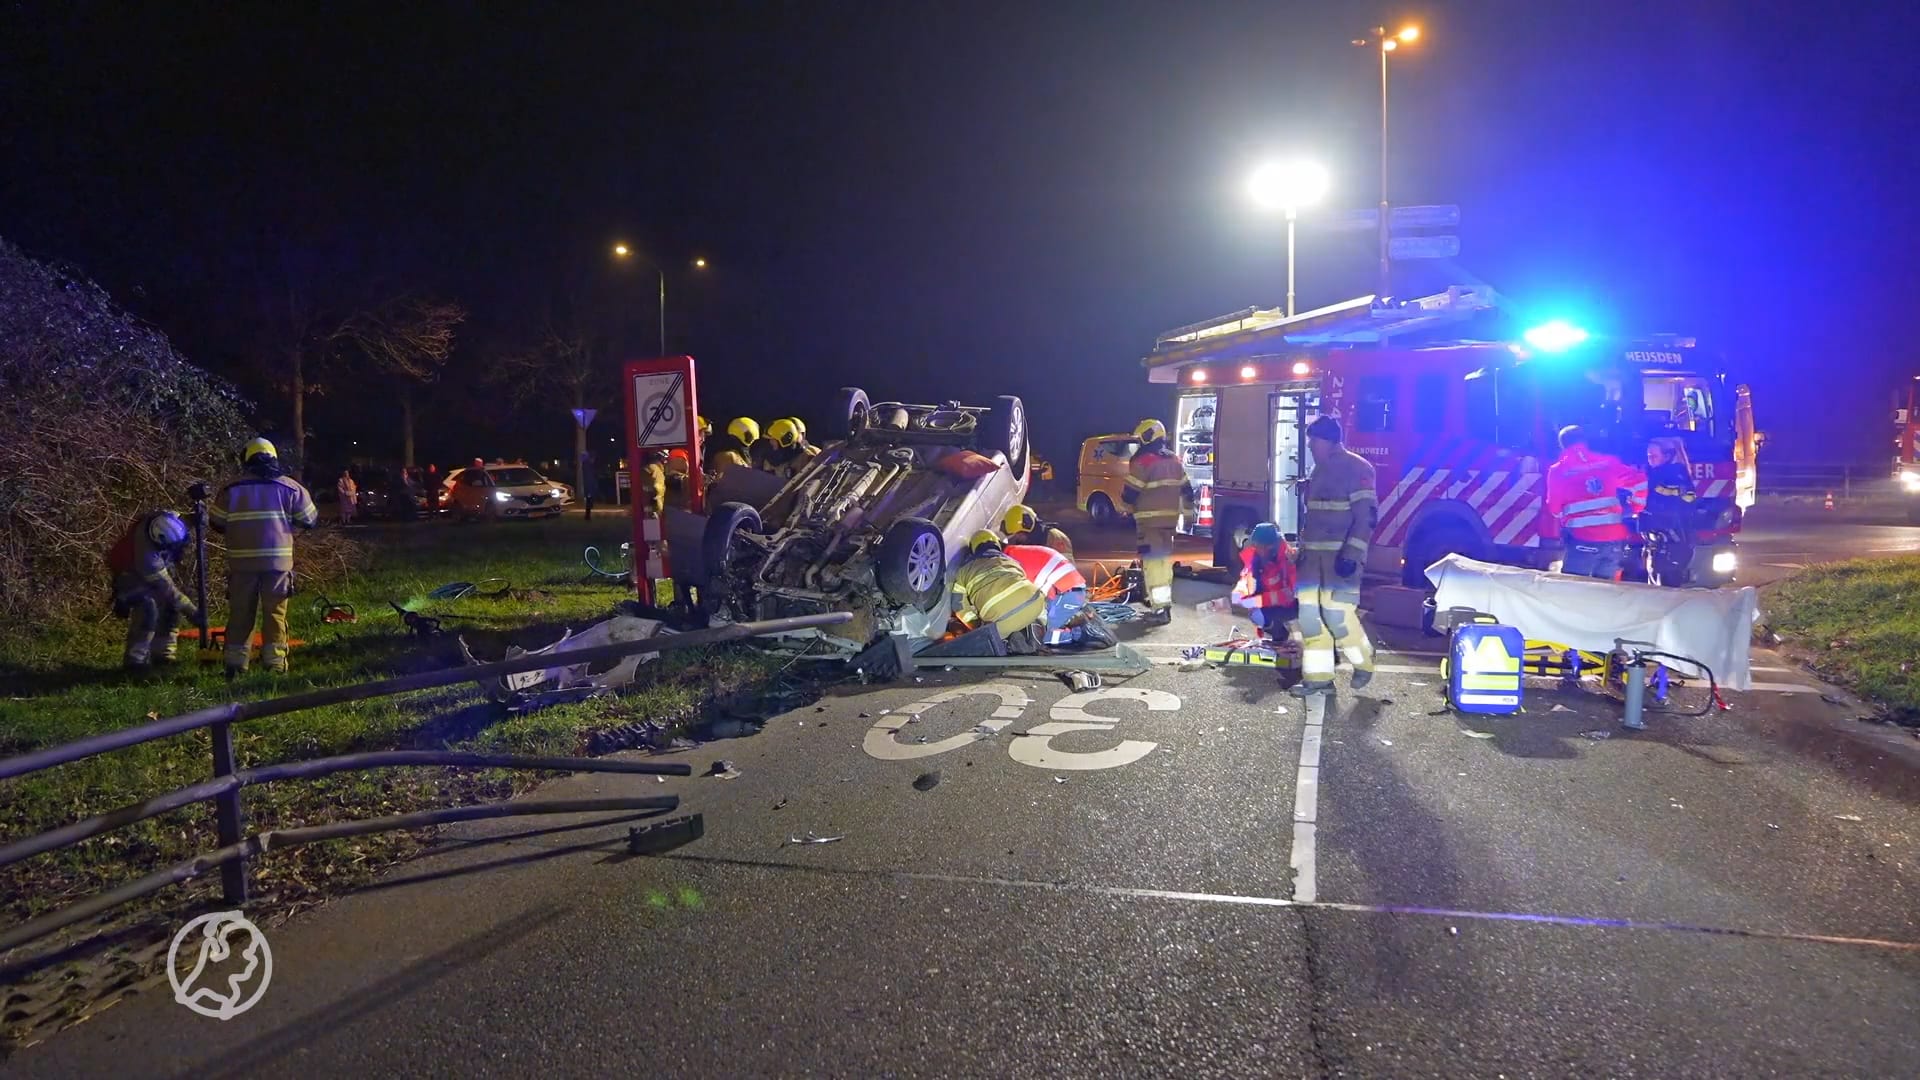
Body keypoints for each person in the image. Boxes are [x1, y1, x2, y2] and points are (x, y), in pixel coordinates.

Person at [211, 437, 317, 677]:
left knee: (240, 613)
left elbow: (216, 522)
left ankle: (235, 666)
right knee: (275, 614)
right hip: (277, 565)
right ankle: (276, 664)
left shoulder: (231, 490)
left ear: (246, 460)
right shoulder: (291, 488)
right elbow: (310, 520)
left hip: (241, 565)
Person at [1293, 416, 1377, 697]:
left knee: (1338, 616)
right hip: (1311, 563)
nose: (1309, 445)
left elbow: (1366, 518)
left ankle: (1364, 661)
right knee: (1309, 619)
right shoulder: (1319, 470)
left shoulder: (1357, 468)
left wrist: (1352, 555)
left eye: (1313, 440)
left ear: (1328, 440)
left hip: (1339, 562)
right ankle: (1319, 680)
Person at [1545, 424, 1649, 580]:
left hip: (1582, 540)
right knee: (1605, 593)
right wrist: (1634, 508)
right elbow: (1640, 481)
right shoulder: (1608, 462)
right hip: (1614, 540)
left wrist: (1566, 514)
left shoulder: (1558, 470)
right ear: (1584, 441)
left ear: (1562, 445)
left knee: (1573, 591)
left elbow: (1554, 509)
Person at [106, 509, 201, 671]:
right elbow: (168, 589)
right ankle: (135, 661)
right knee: (148, 608)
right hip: (129, 576)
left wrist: (195, 518)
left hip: (151, 574)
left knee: (171, 608)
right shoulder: (147, 558)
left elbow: (181, 522)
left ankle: (163, 655)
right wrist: (192, 611)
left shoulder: (166, 520)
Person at [1122, 418, 1193, 625]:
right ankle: (1162, 604)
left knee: (1153, 565)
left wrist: (1127, 511)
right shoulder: (1175, 461)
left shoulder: (1143, 462)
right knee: (1163, 564)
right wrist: (1187, 516)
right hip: (1169, 523)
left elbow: (1129, 494)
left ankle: (1160, 609)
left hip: (1148, 523)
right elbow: (1188, 492)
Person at [951, 530, 1047, 653]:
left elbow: (958, 605)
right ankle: (1035, 633)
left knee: (992, 637)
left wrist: (975, 625)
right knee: (1035, 600)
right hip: (1034, 605)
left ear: (973, 548)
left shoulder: (963, 571)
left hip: (999, 620)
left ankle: (1007, 643)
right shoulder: (1012, 561)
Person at [1004, 537, 1098, 646]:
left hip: (1065, 592)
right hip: (1069, 589)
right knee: (1038, 627)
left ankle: (1082, 633)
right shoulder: (1013, 553)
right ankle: (1076, 619)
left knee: (1041, 638)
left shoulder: (1009, 563)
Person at [1641, 437, 1699, 584]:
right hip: (1656, 529)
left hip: (1671, 529)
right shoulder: (1654, 472)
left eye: (1654, 456)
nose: (1650, 460)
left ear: (1667, 456)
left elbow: (1688, 497)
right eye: (1648, 456)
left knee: (1666, 573)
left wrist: (1666, 491)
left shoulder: (1675, 474)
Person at [1230, 521, 1297, 646]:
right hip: (1270, 605)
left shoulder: (1288, 560)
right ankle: (1278, 636)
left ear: (1271, 546)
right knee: (1256, 614)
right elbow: (1247, 579)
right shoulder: (1257, 560)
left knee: (1261, 614)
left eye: (1261, 546)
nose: (1258, 549)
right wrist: (1238, 594)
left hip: (1292, 607)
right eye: (1256, 546)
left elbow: (1290, 595)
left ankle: (1282, 634)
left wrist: (1255, 601)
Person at [1003, 504, 1073, 557]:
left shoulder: (1056, 538)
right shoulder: (1028, 542)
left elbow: (1066, 569)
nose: (1017, 539)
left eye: (1019, 535)